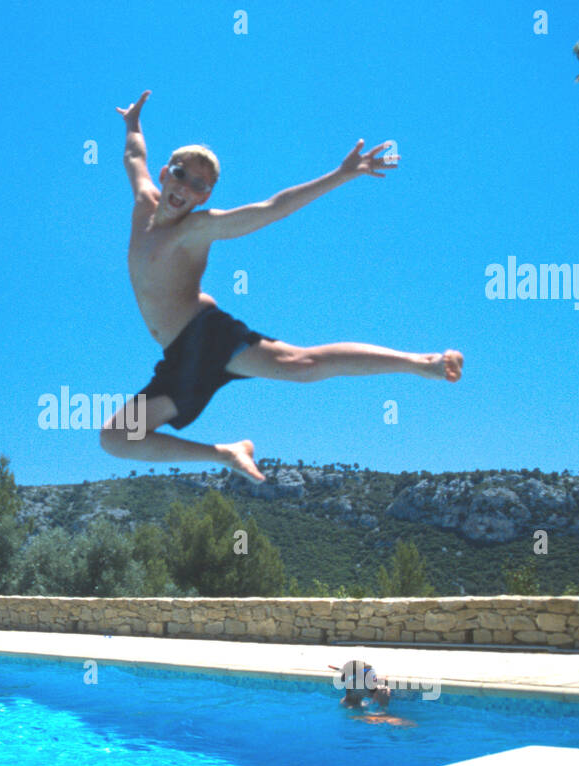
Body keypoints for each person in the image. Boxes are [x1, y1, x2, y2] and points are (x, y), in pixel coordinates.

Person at [100, 91, 463, 483]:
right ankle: (227, 453)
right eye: (181, 173)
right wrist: (132, 123)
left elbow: (272, 208)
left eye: (200, 185)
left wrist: (340, 175)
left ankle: (422, 363)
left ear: (206, 196)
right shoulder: (143, 200)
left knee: (303, 366)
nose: (186, 186)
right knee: (116, 437)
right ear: (164, 173)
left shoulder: (198, 228)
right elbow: (134, 156)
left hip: (206, 335)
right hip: (179, 358)